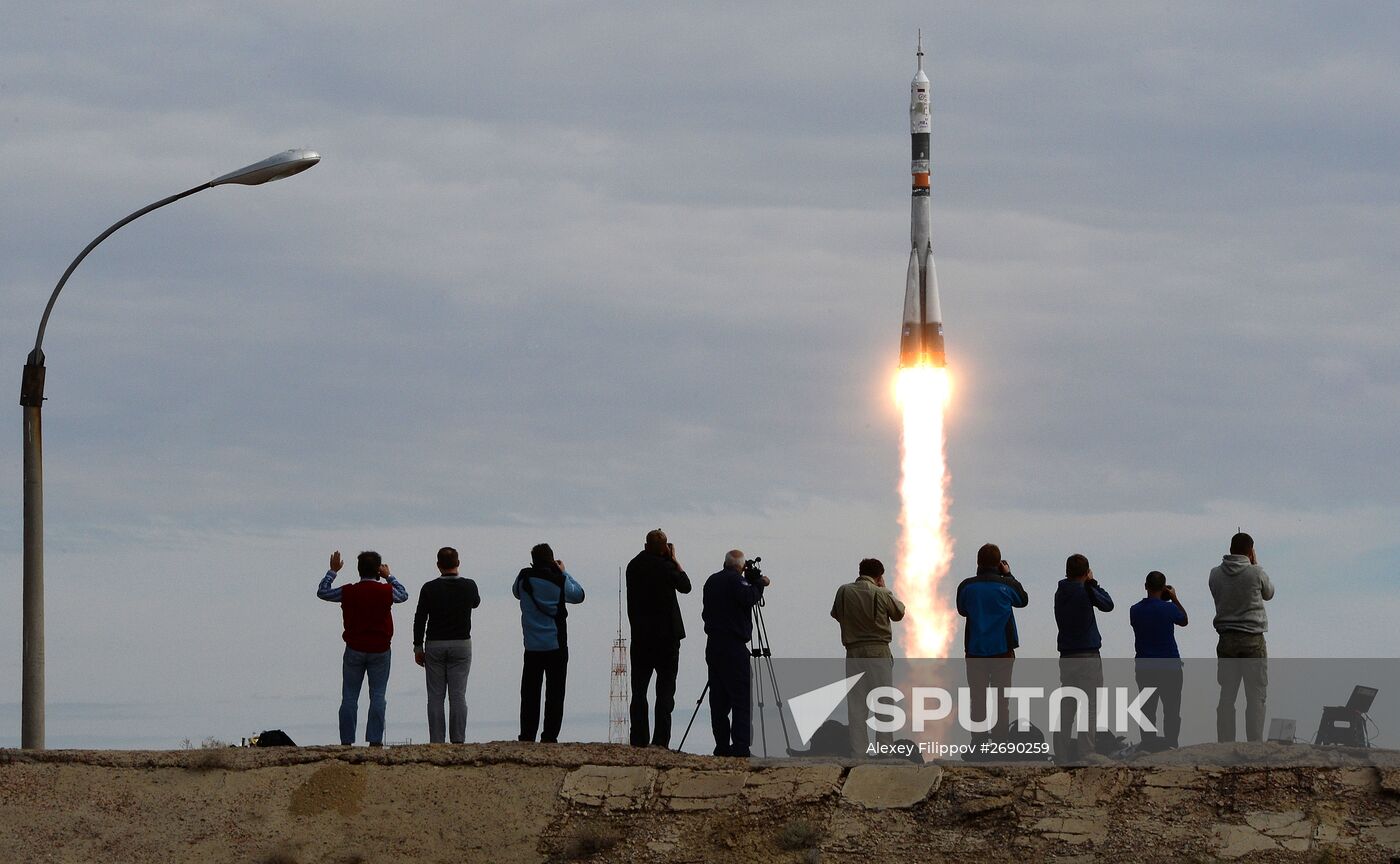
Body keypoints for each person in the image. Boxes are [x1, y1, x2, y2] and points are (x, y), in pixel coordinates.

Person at [317, 550, 409, 747]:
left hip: (354, 648)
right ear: (378, 569)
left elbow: (323, 592)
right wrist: (389, 576)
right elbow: (403, 595)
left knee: (349, 696)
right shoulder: (386, 591)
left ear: (359, 570)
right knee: (378, 695)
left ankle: (347, 740)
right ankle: (375, 740)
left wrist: (332, 571)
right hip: (380, 649)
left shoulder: (349, 591)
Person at [830, 558, 906, 758]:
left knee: (856, 705)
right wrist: (884, 589)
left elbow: (836, 614)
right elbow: (899, 612)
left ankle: (859, 752)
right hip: (878, 651)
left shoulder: (844, 591)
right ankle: (885, 751)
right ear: (879, 576)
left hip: (853, 652)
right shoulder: (882, 593)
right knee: (883, 704)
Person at [955, 543, 1029, 743]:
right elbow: (1023, 600)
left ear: (978, 562)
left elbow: (962, 609)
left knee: (977, 699)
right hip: (1002, 650)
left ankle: (978, 741)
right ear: (999, 563)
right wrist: (1009, 575)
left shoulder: (966, 587)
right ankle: (1000, 741)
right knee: (1001, 700)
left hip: (975, 650)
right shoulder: (1006, 586)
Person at [625, 529, 692, 747]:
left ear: (645, 546)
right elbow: (686, 586)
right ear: (664, 548)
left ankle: (639, 738)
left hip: (642, 637)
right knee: (665, 692)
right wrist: (674, 560)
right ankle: (660, 740)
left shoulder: (633, 566)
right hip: (667, 638)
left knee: (639, 691)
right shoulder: (667, 567)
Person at [513, 543, 584, 743]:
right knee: (555, 693)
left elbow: (515, 593)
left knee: (529, 693)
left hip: (532, 646)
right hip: (556, 645)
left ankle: (527, 735)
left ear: (533, 560)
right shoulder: (559, 581)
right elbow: (579, 595)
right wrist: (564, 572)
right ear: (552, 560)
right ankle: (549, 736)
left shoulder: (523, 577)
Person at [1209, 531, 1275, 743]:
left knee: (1227, 695)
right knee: (1256, 695)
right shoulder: (1255, 573)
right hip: (1252, 640)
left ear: (1230, 550)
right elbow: (1269, 593)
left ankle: (1225, 742)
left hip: (1226, 640)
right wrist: (1255, 564)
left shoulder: (1215, 574)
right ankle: (1254, 744)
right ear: (1250, 551)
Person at [701, 549, 768, 756]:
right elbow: (749, 598)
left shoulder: (711, 581)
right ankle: (740, 746)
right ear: (740, 566)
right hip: (733, 646)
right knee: (741, 697)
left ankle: (721, 746)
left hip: (713, 646)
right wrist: (759, 584)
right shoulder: (735, 581)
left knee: (718, 699)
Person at [412, 546, 481, 744]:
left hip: (435, 643)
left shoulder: (429, 588)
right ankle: (458, 739)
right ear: (458, 563)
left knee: (435, 696)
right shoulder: (469, 585)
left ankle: (436, 740)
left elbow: (420, 618)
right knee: (458, 695)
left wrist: (418, 646)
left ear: (438, 565)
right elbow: (476, 603)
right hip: (461, 643)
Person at [1053, 553, 1114, 761]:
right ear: (1085, 572)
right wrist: (1092, 583)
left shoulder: (1060, 592)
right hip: (1087, 654)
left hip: (1067, 655)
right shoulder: (1086, 591)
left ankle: (1061, 752)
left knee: (1068, 705)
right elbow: (1108, 604)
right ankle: (1085, 752)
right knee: (1090, 706)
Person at [1129, 570, 1188, 750]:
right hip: (1170, 666)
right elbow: (1184, 620)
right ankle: (1172, 743)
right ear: (1163, 588)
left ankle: (1149, 744)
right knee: (1171, 709)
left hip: (1145, 666)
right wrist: (1174, 598)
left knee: (1147, 709)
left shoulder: (1135, 610)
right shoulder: (1169, 608)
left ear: (1146, 586)